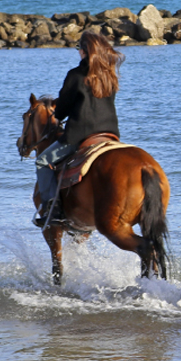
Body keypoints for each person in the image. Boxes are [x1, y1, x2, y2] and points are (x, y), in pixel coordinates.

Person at [33, 31, 123, 227]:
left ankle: (52, 210)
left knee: (42, 161)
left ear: (84, 52)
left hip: (81, 135)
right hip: (110, 134)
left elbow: (62, 111)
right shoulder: (110, 75)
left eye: (79, 49)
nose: (78, 53)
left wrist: (58, 115)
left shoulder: (75, 75)